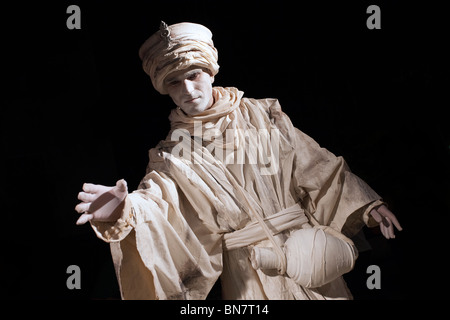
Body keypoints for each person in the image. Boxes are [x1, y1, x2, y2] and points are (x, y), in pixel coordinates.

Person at [75, 21, 402, 300]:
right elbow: (159, 204)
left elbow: (313, 164)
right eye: (174, 81)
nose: (187, 89)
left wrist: (366, 203)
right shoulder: (169, 156)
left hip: (309, 253)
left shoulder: (262, 114)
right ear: (163, 88)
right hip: (248, 270)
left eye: (194, 74)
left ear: (210, 71)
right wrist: (126, 210)